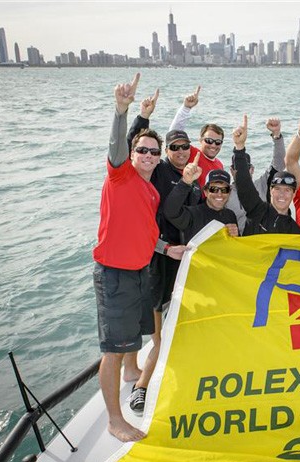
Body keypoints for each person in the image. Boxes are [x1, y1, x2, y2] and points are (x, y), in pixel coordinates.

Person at [92, 73, 174, 442]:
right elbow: (116, 146)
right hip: (115, 274)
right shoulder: (120, 175)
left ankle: (132, 373)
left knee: (132, 340)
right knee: (113, 349)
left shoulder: (151, 191)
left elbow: (147, 232)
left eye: (154, 152)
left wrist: (166, 249)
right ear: (133, 153)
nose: (148, 156)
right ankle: (115, 419)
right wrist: (122, 111)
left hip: (140, 271)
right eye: (142, 150)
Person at [124, 90, 199, 415]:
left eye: (186, 147)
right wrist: (145, 115)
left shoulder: (191, 177)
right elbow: (136, 147)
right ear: (166, 152)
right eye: (175, 148)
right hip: (156, 254)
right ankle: (140, 387)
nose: (181, 152)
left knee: (157, 313)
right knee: (157, 326)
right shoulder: (159, 169)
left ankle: (131, 367)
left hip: (176, 254)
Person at [231, 115, 300, 235]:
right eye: (278, 189)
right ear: (270, 190)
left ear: (294, 194)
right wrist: (239, 148)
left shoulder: (296, 232)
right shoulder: (257, 210)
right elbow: (244, 184)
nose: (282, 194)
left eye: (287, 190)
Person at [163, 153, 239, 242]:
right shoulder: (193, 214)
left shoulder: (230, 215)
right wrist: (185, 182)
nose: (219, 194)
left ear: (229, 193)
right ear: (206, 192)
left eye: (224, 190)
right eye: (214, 189)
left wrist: (236, 235)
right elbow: (170, 212)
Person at [167, 85, 225, 189]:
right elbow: (174, 135)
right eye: (209, 140)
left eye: (217, 142)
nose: (213, 145)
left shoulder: (219, 165)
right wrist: (186, 108)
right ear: (200, 140)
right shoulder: (192, 154)